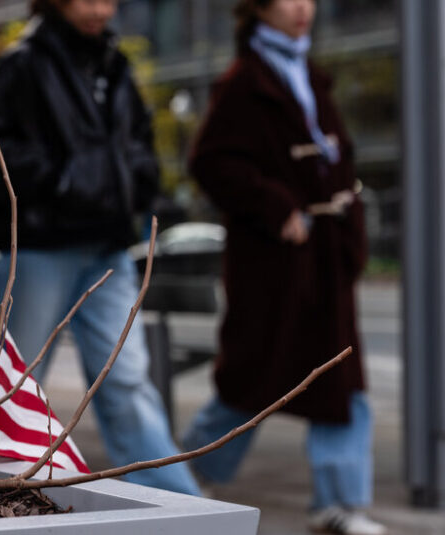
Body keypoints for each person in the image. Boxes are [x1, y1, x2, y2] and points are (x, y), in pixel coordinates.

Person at [0, 0, 200, 495]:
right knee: (13, 383)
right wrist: (61, 182)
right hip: (44, 247)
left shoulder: (114, 61)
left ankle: (183, 507)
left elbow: (137, 140)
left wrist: (139, 182)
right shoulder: (23, 62)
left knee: (127, 382)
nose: (100, 9)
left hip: (108, 246)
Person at [180, 1, 384, 533]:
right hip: (275, 261)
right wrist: (277, 207)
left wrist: (348, 229)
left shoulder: (309, 73)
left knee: (343, 379)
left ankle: (339, 503)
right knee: (251, 378)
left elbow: (337, 160)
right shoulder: (245, 80)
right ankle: (187, 476)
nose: (302, 8)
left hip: (323, 256)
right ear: (258, 9)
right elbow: (210, 161)